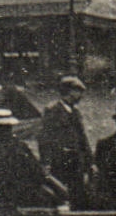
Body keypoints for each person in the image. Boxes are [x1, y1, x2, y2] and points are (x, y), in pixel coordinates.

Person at [0, 110, 62, 207]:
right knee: (52, 198)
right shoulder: (20, 148)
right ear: (10, 127)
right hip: (19, 199)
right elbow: (37, 174)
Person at [37, 75, 92, 205]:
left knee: (79, 194)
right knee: (62, 195)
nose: (81, 96)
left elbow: (82, 138)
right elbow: (45, 138)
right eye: (79, 92)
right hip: (60, 161)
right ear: (69, 92)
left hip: (76, 161)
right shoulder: (53, 111)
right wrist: (46, 162)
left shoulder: (75, 112)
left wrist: (89, 160)